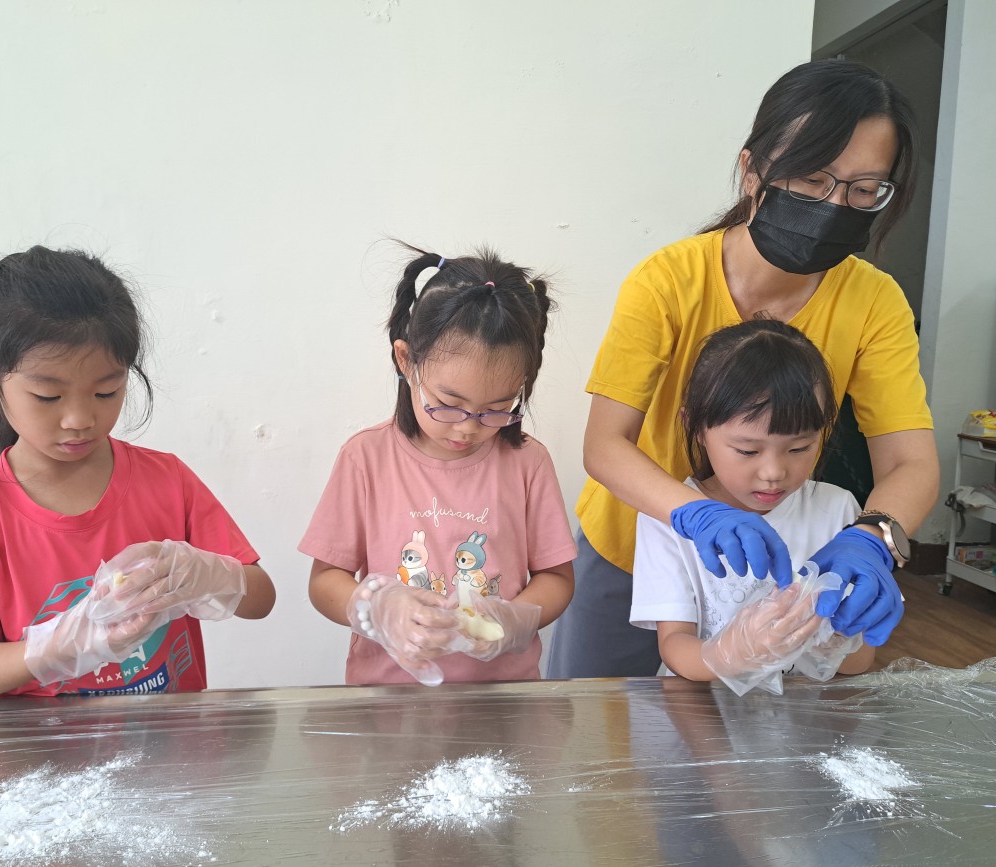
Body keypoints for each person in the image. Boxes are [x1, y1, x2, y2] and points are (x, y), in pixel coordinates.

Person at [547, 58, 937, 679]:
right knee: (597, 728)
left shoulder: (875, 302)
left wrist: (873, 539)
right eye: (812, 178)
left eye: (864, 190)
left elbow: (910, 463)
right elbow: (605, 445)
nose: (835, 204)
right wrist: (694, 512)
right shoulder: (668, 280)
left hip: (769, 570)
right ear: (753, 170)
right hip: (633, 547)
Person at [0, 246, 276, 699]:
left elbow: (260, 600)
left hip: (169, 736)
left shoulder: (166, 480)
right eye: (48, 397)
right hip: (44, 741)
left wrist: (207, 575)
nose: (79, 419)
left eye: (106, 392)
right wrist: (64, 645)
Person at [301, 246, 577, 686]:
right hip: (387, 695)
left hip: (503, 695)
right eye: (449, 403)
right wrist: (377, 607)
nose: (469, 427)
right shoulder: (365, 458)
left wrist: (513, 620)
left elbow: (557, 578)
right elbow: (324, 581)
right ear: (406, 361)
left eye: (497, 409)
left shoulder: (528, 461)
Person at [630, 318, 876, 685]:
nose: (774, 472)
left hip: (803, 713)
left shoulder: (838, 510)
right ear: (696, 428)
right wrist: (730, 653)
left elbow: (860, 662)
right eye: (748, 450)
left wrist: (835, 640)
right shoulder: (669, 514)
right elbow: (674, 647)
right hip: (702, 709)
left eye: (799, 447)